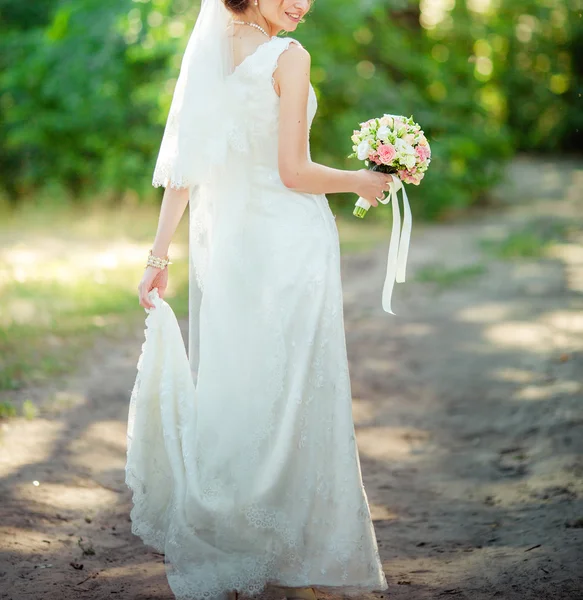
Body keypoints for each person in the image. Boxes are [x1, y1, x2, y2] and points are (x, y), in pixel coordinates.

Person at [126, 1, 392, 599]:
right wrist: (362, 180)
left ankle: (246, 533)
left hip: (230, 253)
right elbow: (294, 172)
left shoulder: (211, 53)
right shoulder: (287, 58)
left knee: (239, 386)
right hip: (290, 249)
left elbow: (185, 168)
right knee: (297, 391)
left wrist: (158, 256)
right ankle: (296, 549)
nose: (303, 4)